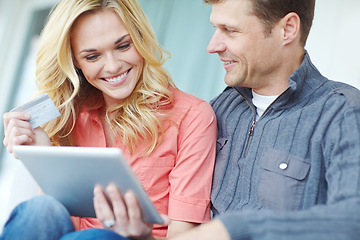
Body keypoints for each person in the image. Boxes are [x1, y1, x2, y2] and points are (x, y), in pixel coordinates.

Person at [48, 0, 360, 239]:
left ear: (287, 29)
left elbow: (353, 219)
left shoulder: (341, 111)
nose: (213, 45)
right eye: (215, 28)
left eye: (230, 30)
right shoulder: (217, 110)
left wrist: (235, 229)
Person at [1, 0, 217, 239]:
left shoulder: (192, 116)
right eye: (92, 56)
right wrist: (43, 154)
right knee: (39, 210)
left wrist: (141, 236)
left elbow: (184, 236)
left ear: (140, 38)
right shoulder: (73, 116)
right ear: (75, 63)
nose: (113, 66)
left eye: (123, 46)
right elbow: (56, 224)